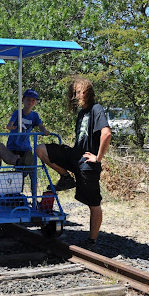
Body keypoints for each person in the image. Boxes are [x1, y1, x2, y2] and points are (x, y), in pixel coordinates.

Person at [36, 77, 111, 247]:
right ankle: (66, 177)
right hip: (74, 157)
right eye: (74, 92)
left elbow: (106, 133)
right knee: (41, 149)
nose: (76, 96)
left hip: (87, 163)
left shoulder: (96, 109)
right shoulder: (81, 113)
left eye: (79, 92)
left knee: (94, 203)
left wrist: (98, 158)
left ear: (87, 92)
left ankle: (92, 240)